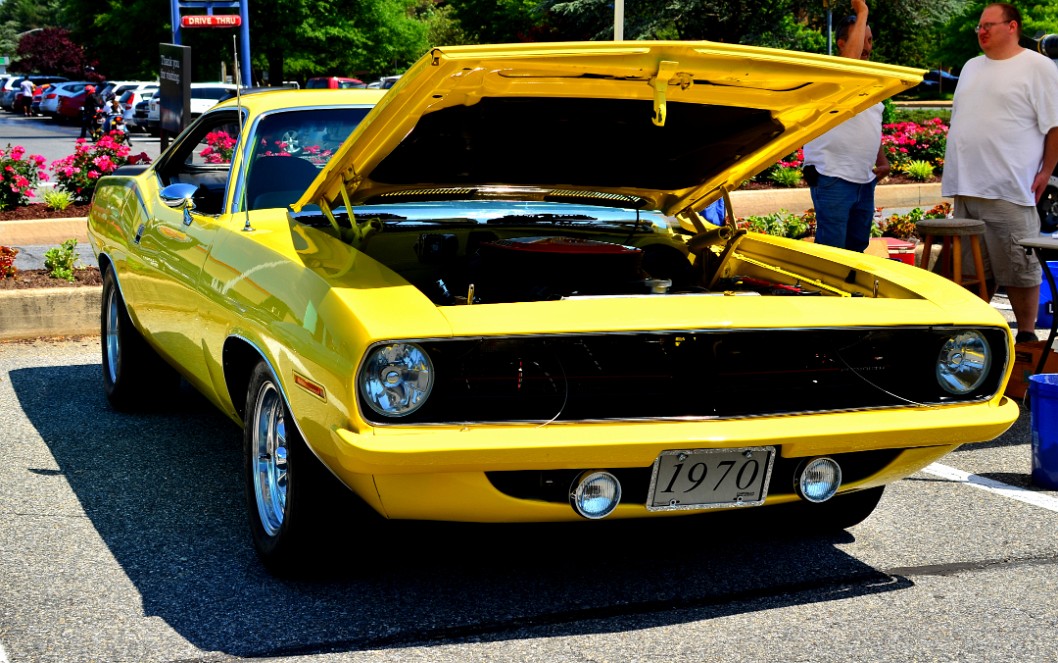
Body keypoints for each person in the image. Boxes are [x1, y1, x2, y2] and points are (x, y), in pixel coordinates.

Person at [942, 3, 1058, 343]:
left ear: (1013, 27)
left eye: (989, 25)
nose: (981, 31)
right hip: (967, 187)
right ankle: (973, 335)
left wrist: (1047, 170)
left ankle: (1025, 336)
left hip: (1009, 186)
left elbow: (1054, 127)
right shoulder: (970, 66)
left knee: (1018, 268)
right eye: (979, 26)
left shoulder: (1037, 67)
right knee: (971, 271)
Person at [801, 0, 890, 252]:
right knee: (834, 252)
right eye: (862, 37)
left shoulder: (873, 82)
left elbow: (870, 123)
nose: (867, 46)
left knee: (856, 248)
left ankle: (850, 294)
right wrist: (862, 10)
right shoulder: (833, 74)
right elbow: (850, 62)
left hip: (864, 180)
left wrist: (881, 160)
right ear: (841, 44)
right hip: (832, 175)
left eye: (870, 40)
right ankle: (827, 294)